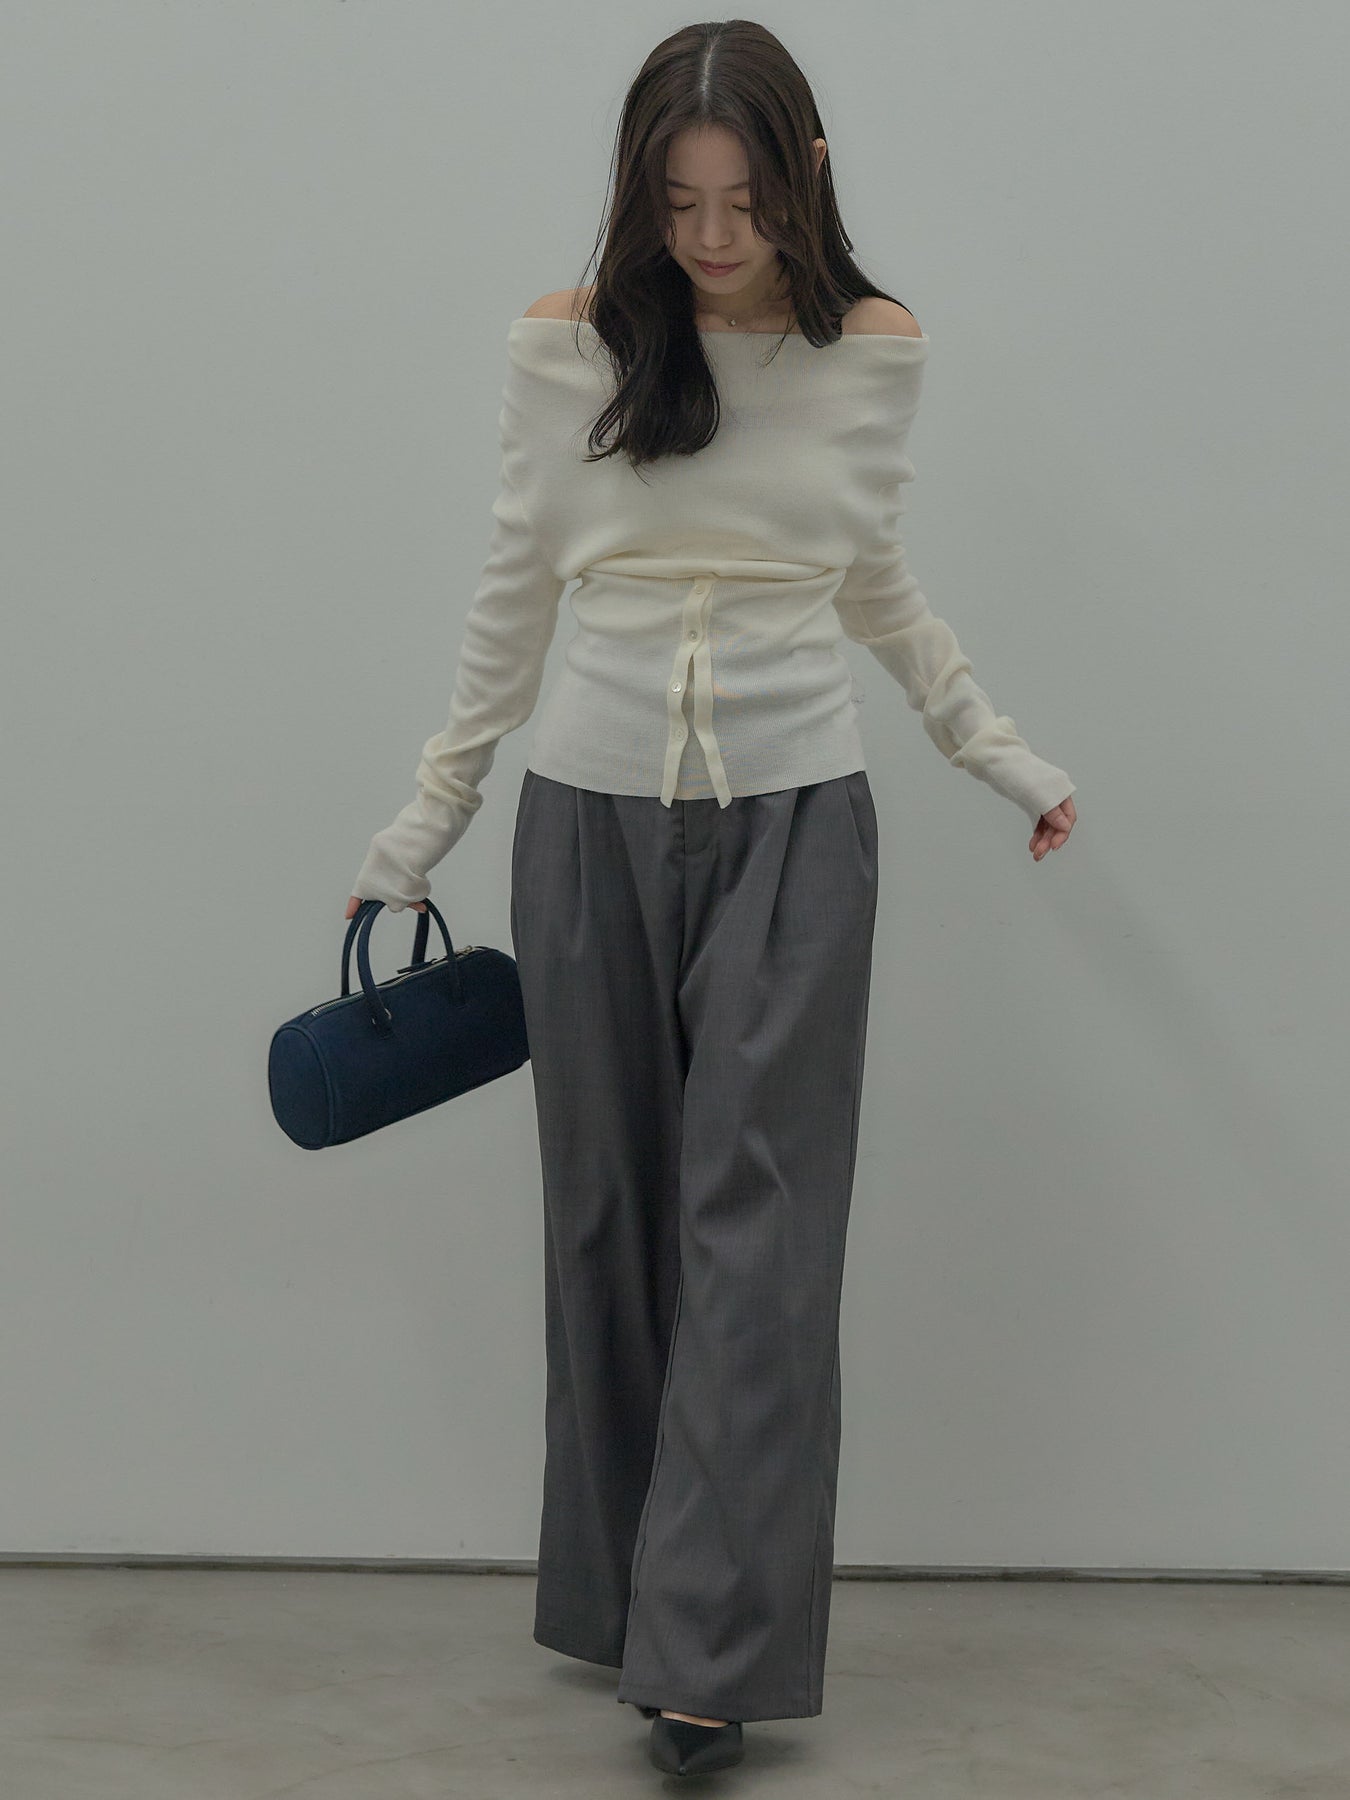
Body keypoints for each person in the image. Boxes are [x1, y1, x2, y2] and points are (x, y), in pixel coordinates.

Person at [347, 20, 1076, 1779]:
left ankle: (707, 1657)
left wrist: (994, 749)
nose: (708, 238)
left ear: (801, 174)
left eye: (739, 201)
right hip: (583, 818)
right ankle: (629, 1597)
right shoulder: (568, 343)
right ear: (639, 193)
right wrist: (428, 814)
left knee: (759, 1228)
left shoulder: (872, 352)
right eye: (676, 205)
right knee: (607, 1218)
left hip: (793, 821)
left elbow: (869, 571)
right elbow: (514, 585)